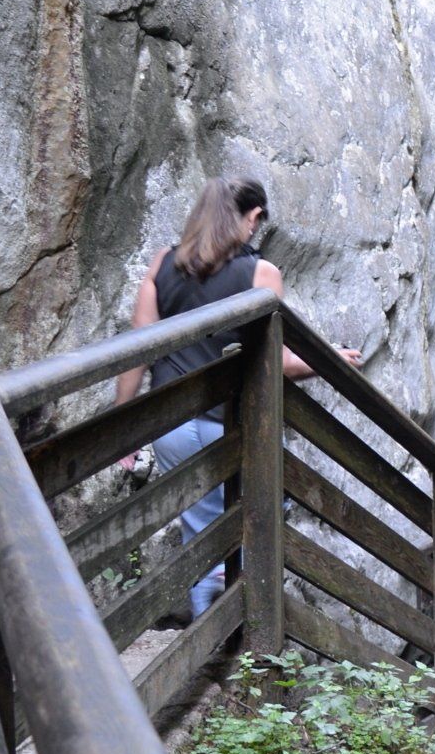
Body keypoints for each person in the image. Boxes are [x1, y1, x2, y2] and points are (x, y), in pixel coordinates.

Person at [114, 176, 358, 618]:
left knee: (199, 523)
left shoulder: (161, 264)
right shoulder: (261, 274)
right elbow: (274, 361)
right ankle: (238, 622)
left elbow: (137, 350)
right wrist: (330, 360)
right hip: (229, 422)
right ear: (252, 217)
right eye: (256, 222)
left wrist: (123, 426)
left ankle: (210, 615)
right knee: (267, 505)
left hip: (168, 423)